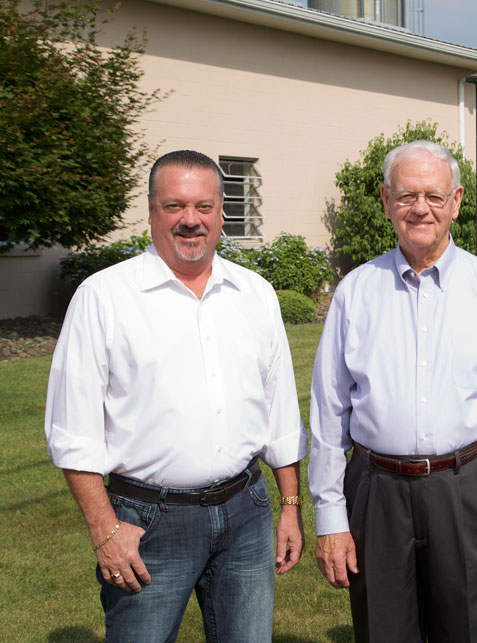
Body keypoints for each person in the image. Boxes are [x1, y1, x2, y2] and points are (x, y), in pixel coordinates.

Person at [44, 150, 309, 642]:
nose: (191, 220)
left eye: (204, 207)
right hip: (147, 523)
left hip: (246, 513)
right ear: (150, 212)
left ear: (220, 214)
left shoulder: (254, 293)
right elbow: (71, 432)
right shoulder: (104, 298)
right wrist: (106, 530)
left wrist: (290, 505)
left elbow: (280, 413)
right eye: (174, 206)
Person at [309, 140, 477, 643]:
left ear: (456, 201)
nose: (420, 208)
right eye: (407, 195)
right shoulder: (356, 292)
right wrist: (329, 517)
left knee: (471, 633)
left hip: (469, 487)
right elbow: (328, 413)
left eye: (433, 196)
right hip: (377, 492)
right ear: (387, 202)